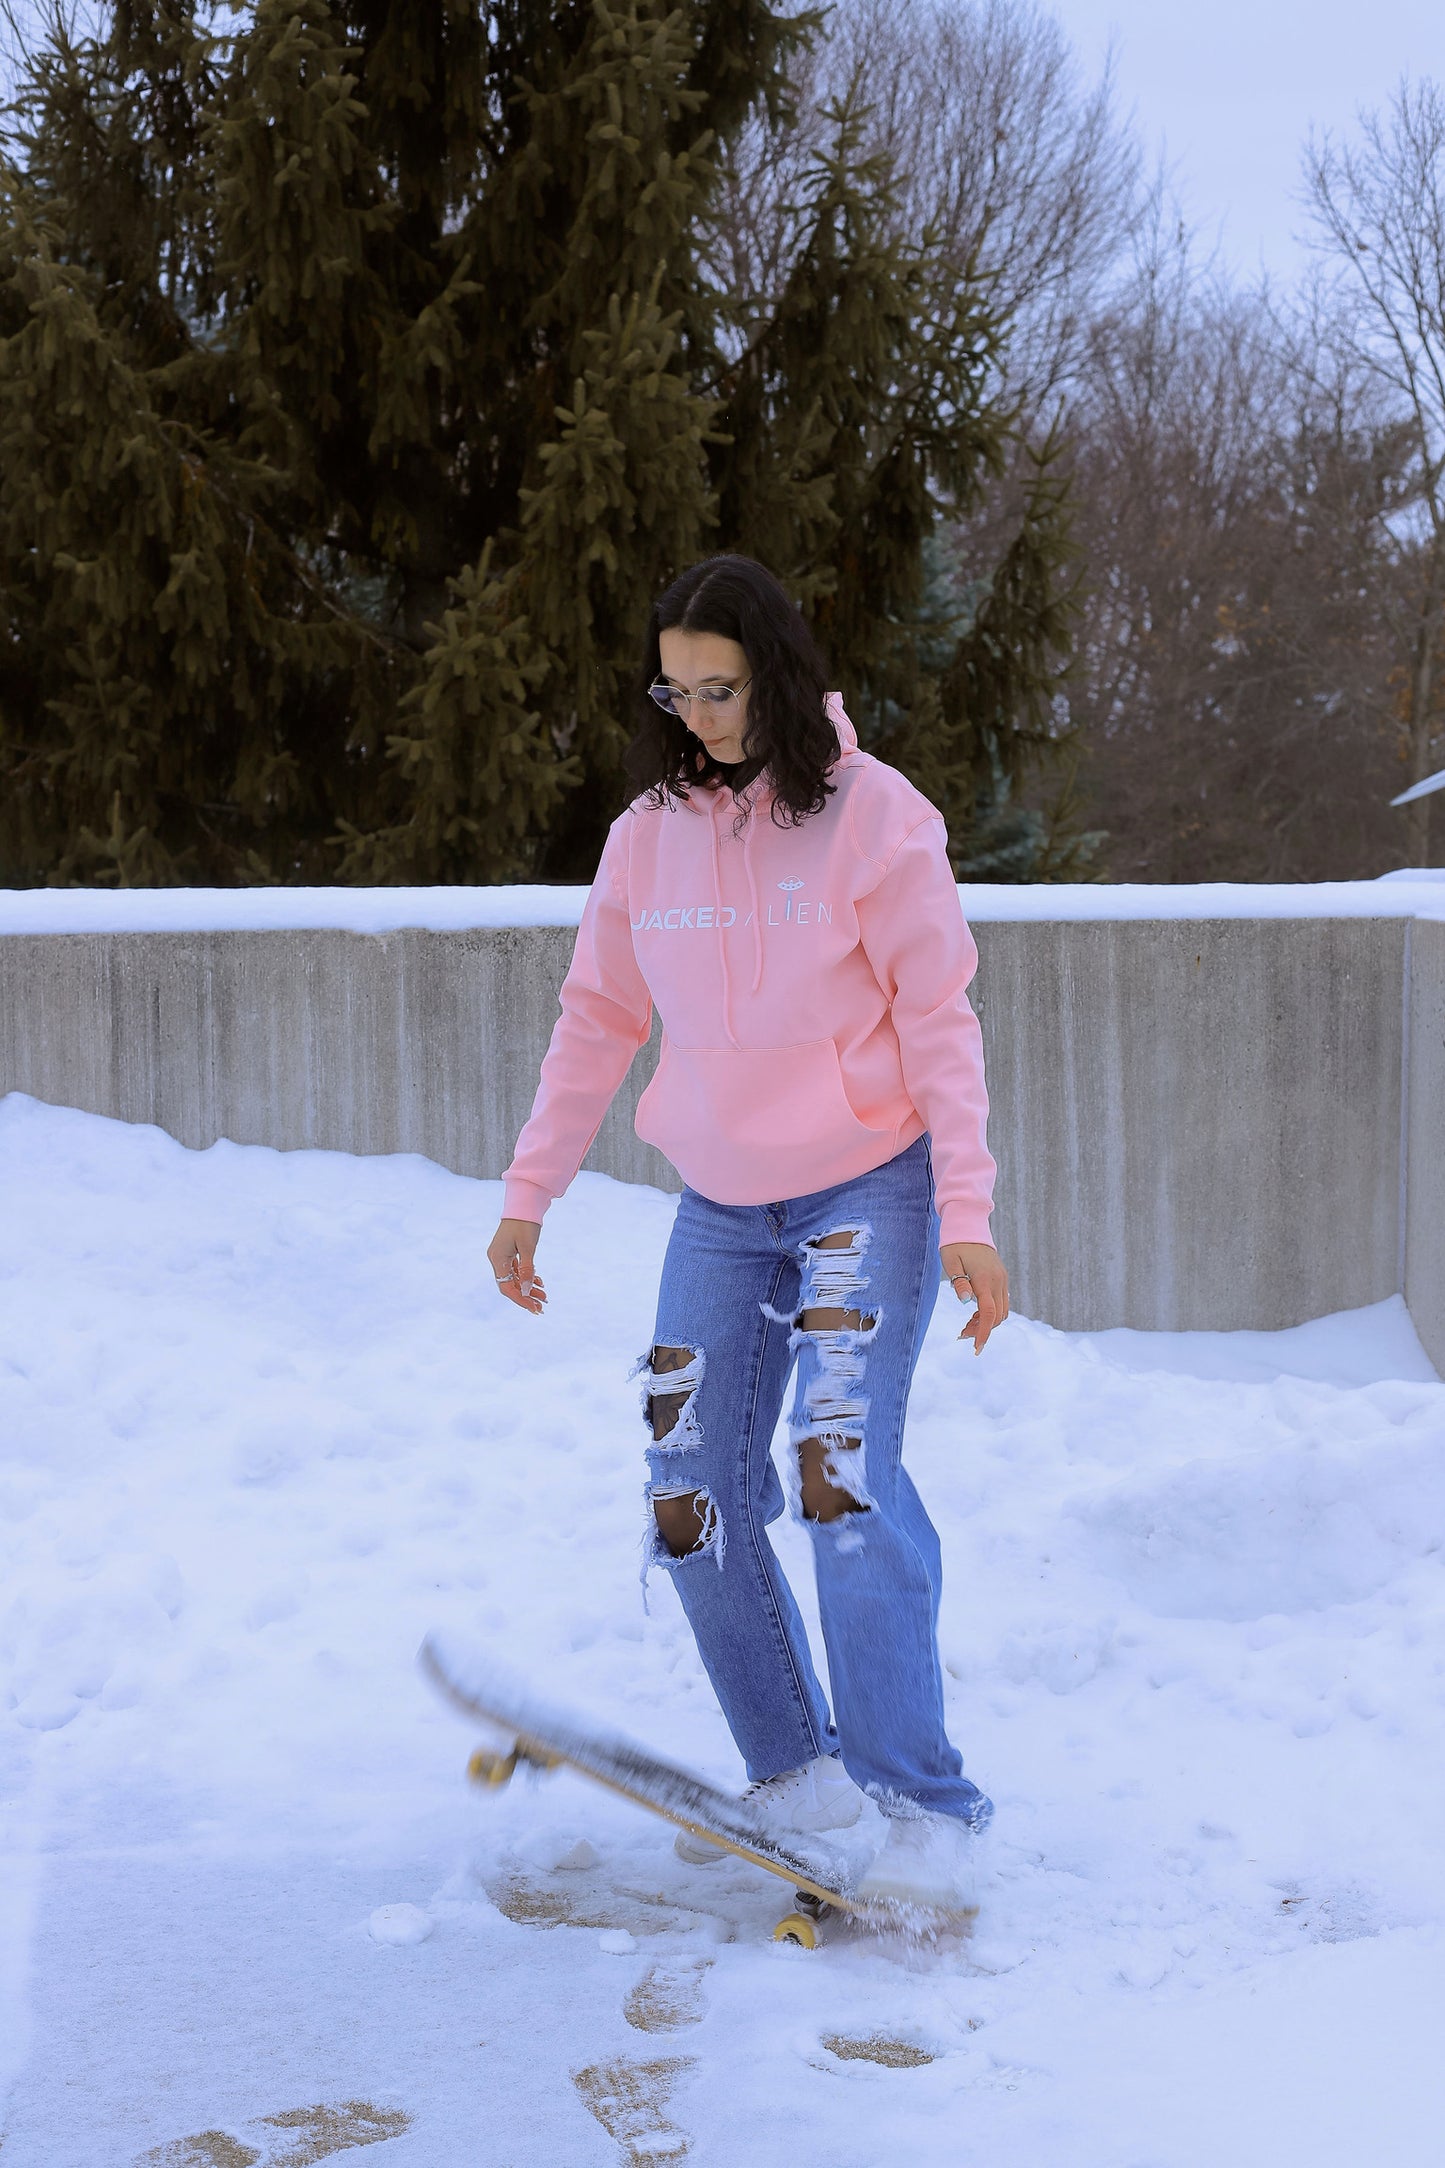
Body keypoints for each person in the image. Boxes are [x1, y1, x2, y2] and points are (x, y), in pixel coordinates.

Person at [486, 554, 1009, 1911]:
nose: (696, 714)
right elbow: (596, 1019)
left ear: (774, 673)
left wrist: (967, 1211)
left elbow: (939, 1021)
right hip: (719, 1204)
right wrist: (527, 1193)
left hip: (865, 1189)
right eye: (674, 688)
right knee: (686, 1494)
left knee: (839, 1478)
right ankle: (800, 1781)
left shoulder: (876, 820)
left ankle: (919, 1804)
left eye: (719, 688)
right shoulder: (644, 836)